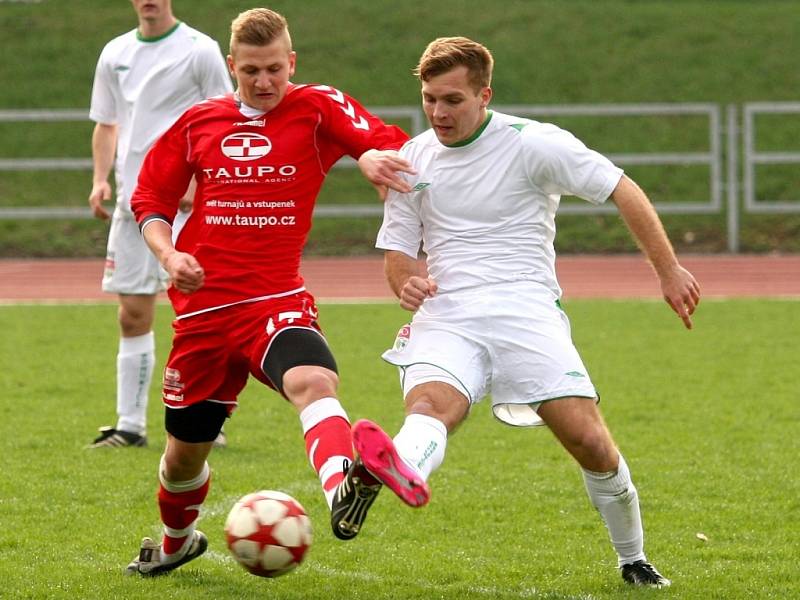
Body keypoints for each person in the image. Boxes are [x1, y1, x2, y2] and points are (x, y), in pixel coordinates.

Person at [344, 37, 701, 589]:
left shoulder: (533, 143)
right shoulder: (409, 161)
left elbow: (621, 188)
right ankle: (393, 468)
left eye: (453, 99)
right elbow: (397, 253)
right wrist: (406, 285)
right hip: (448, 313)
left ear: (484, 94)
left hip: (525, 311)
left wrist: (668, 270)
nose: (439, 112)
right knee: (432, 405)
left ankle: (633, 558)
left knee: (590, 442)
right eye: (429, 98)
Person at [123, 8, 414, 576]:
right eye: (251, 70)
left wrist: (373, 155)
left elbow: (385, 142)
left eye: (275, 69)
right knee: (184, 457)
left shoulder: (318, 106)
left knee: (314, 379)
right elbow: (150, 201)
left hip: (275, 299)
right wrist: (169, 254)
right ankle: (177, 541)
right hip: (204, 312)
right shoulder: (198, 121)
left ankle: (342, 490)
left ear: (292, 63)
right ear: (231, 66)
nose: (264, 82)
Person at [87, 0, 233, 449]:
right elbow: (107, 124)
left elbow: (225, 119)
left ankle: (210, 419)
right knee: (132, 314)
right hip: (134, 205)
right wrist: (99, 179)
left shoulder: (200, 50)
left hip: (189, 207)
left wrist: (202, 180)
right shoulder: (114, 53)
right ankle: (130, 426)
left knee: (202, 314)